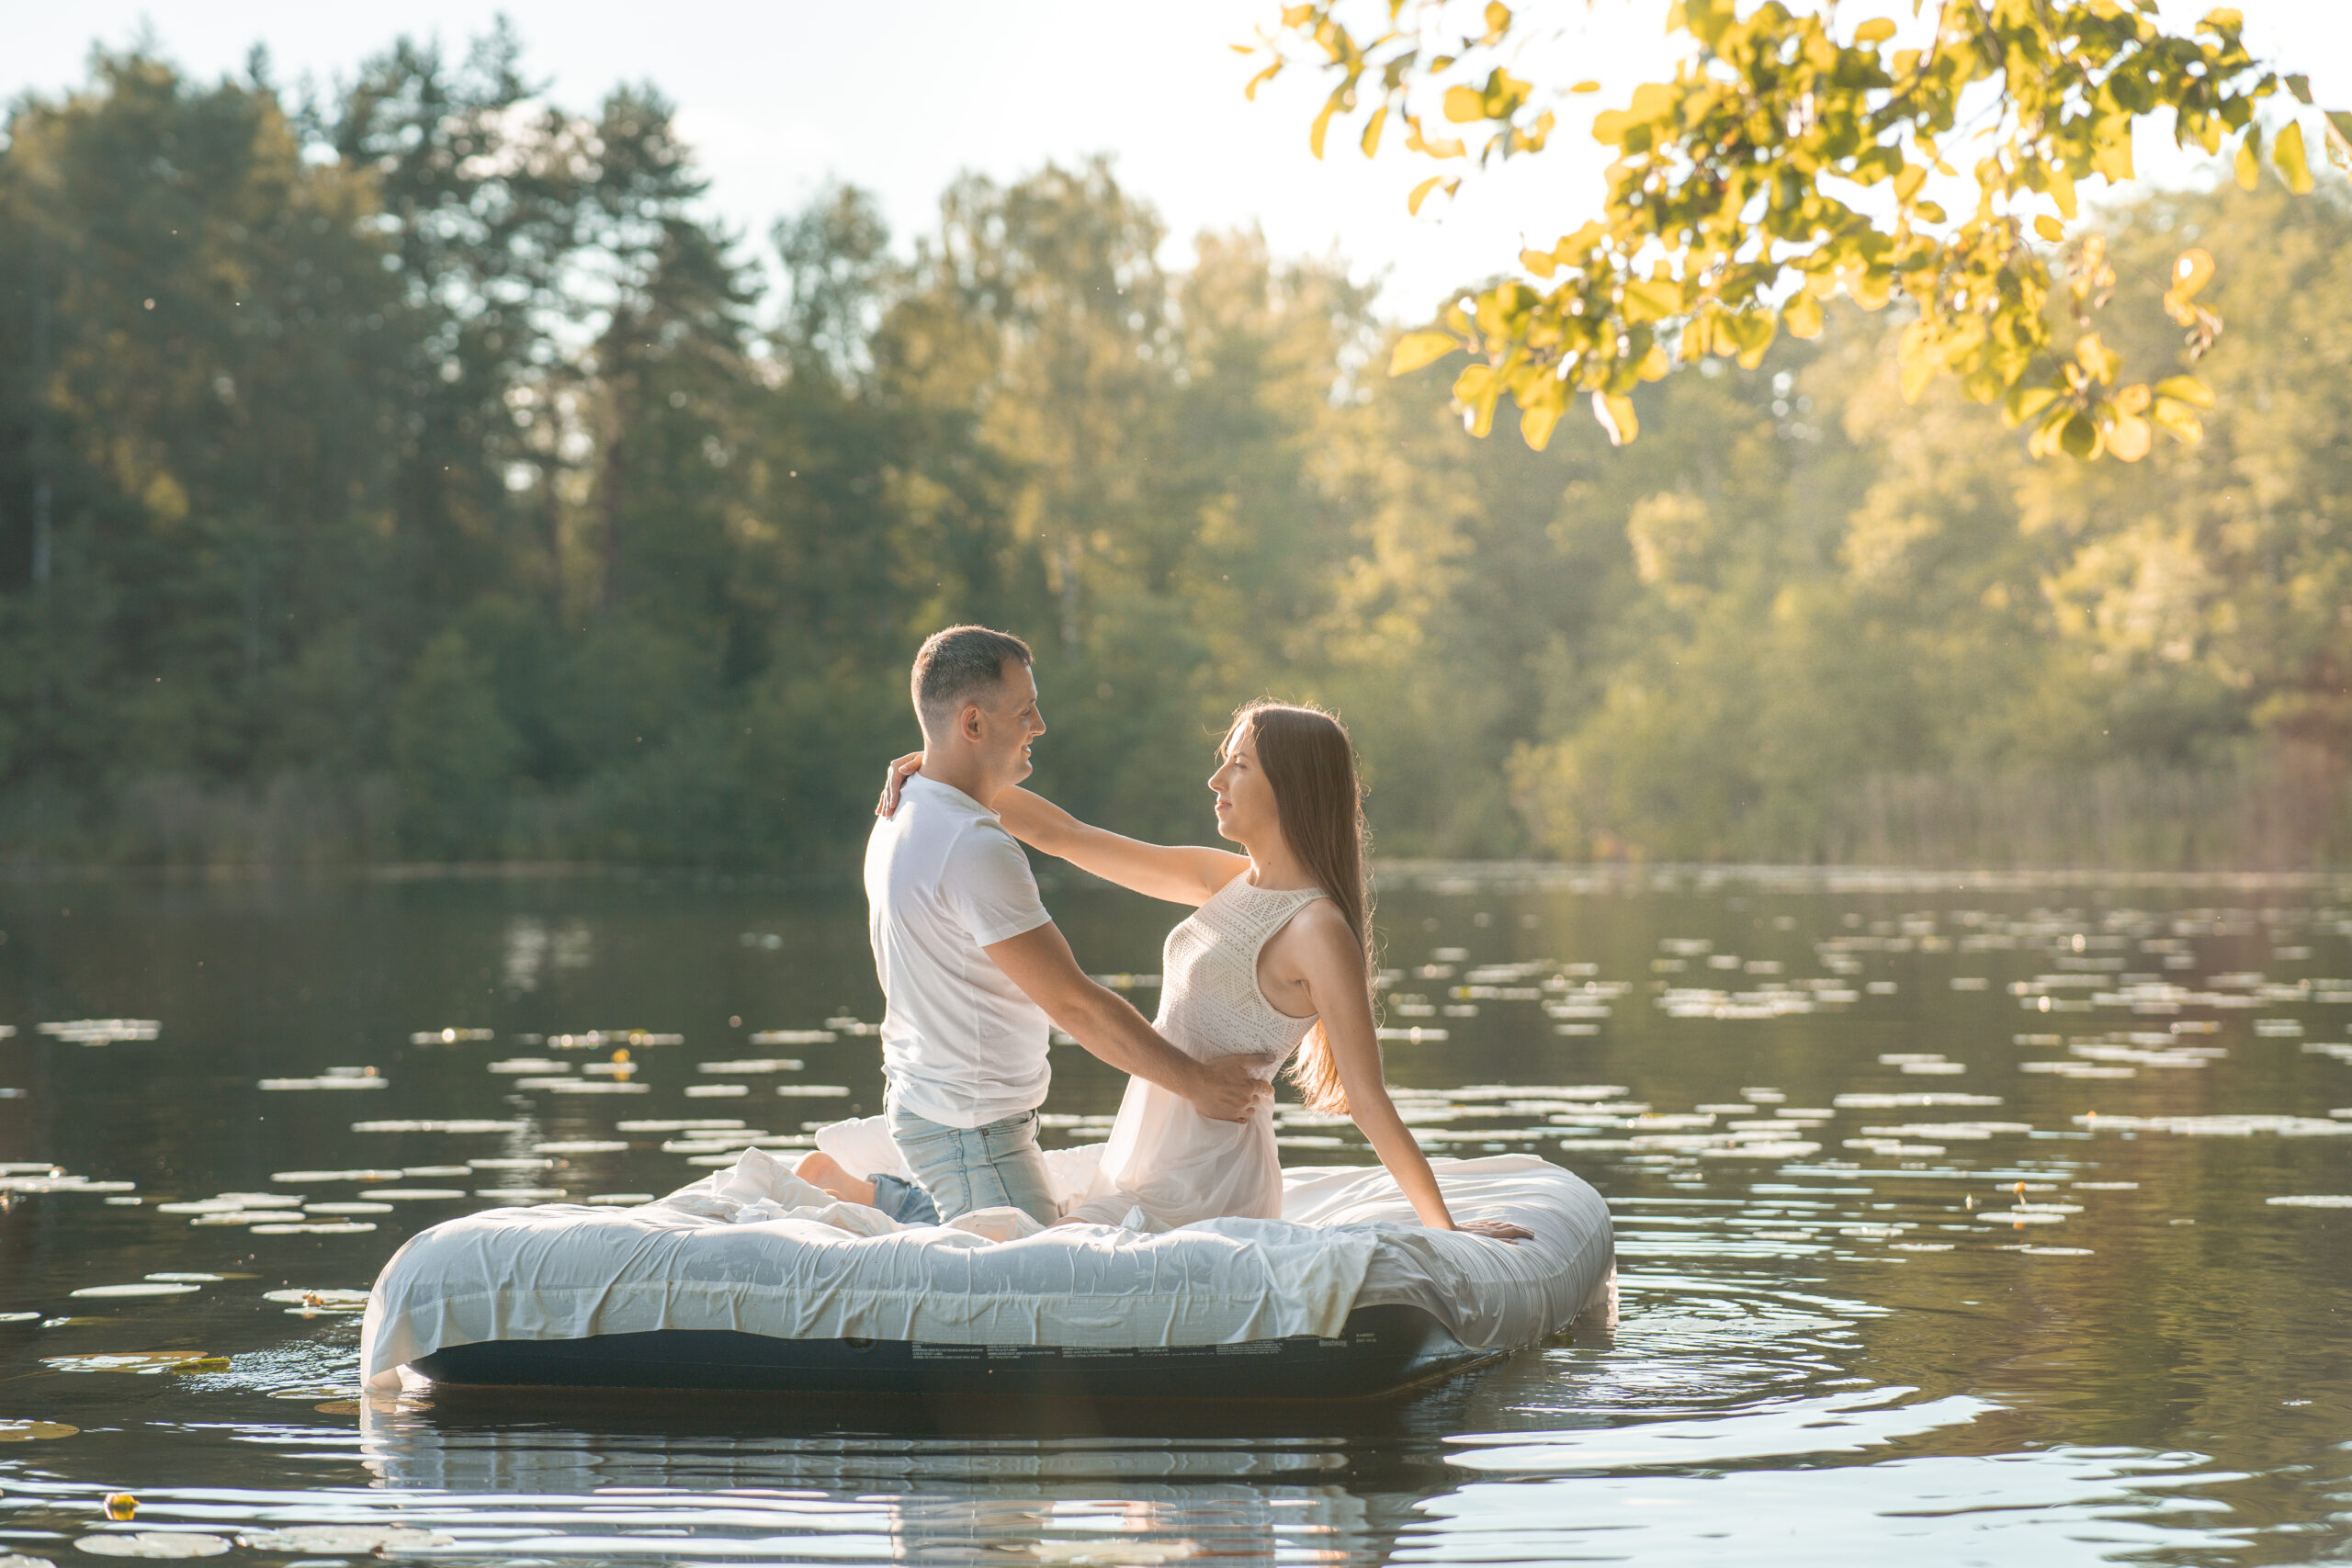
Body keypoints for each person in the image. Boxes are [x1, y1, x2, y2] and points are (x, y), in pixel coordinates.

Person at [872, 699, 1530, 1242]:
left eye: (1238, 765)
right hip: (1148, 1148)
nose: (1216, 782)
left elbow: (1366, 1096)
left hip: (1207, 1179)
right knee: (1041, 1239)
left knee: (1036, 1250)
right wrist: (941, 776)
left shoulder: (1318, 930)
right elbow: (1069, 837)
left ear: (1293, 787)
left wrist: (1445, 1227)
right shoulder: (1227, 881)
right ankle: (883, 1198)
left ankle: (880, 1201)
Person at [793, 626, 1272, 1228]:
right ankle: (877, 1200)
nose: (1039, 724)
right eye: (1025, 710)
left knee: (1012, 1225)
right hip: (968, 1127)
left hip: (940, 1105)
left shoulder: (918, 798)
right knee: (1035, 1257)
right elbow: (1076, 1005)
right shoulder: (971, 844)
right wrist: (1197, 1082)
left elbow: (1065, 834)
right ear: (972, 725)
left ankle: (863, 1192)